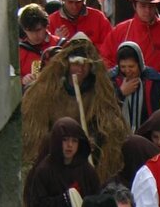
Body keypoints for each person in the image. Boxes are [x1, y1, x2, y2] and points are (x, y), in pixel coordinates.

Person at [21, 35, 128, 181]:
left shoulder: (99, 95)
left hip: (86, 160)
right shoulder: (51, 92)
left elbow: (109, 129)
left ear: (91, 67)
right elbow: (39, 131)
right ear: (67, 64)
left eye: (85, 63)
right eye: (75, 63)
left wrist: (92, 140)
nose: (80, 68)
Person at [23, 117, 100, 207]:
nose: (69, 145)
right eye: (65, 140)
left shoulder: (87, 171)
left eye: (74, 141)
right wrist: (64, 200)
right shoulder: (44, 171)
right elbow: (37, 206)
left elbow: (95, 200)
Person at [47, 0, 115, 60]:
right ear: (63, 0)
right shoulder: (52, 21)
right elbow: (45, 52)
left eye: (78, 2)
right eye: (70, 2)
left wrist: (90, 48)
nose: (74, 6)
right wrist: (56, 40)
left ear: (84, 0)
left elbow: (110, 45)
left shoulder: (98, 17)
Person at [110, 41, 160, 130]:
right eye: (123, 67)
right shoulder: (111, 80)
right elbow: (105, 108)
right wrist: (120, 92)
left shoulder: (156, 81)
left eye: (131, 66)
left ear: (140, 64)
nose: (127, 71)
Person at [18, 4, 53, 90]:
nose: (34, 35)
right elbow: (10, 79)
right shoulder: (20, 51)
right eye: (30, 31)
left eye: (38, 30)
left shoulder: (60, 45)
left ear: (46, 26)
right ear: (24, 30)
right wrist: (23, 80)